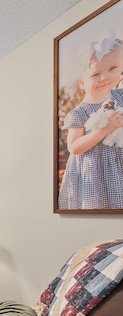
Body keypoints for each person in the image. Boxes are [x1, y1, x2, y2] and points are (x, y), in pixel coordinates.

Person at [58, 34, 123, 209]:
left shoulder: (121, 95)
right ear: (81, 82)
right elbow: (74, 147)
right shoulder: (79, 112)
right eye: (96, 74)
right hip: (96, 172)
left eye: (113, 68)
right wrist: (105, 129)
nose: (105, 77)